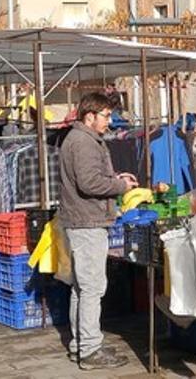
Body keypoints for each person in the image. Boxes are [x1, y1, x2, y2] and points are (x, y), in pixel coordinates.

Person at [57, 92, 138, 370]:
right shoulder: (83, 142)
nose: (110, 121)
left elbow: (90, 179)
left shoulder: (80, 139)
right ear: (89, 116)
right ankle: (90, 349)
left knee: (82, 288)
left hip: (82, 220)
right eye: (106, 116)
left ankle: (82, 344)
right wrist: (120, 187)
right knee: (91, 288)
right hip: (87, 222)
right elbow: (90, 184)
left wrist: (115, 179)